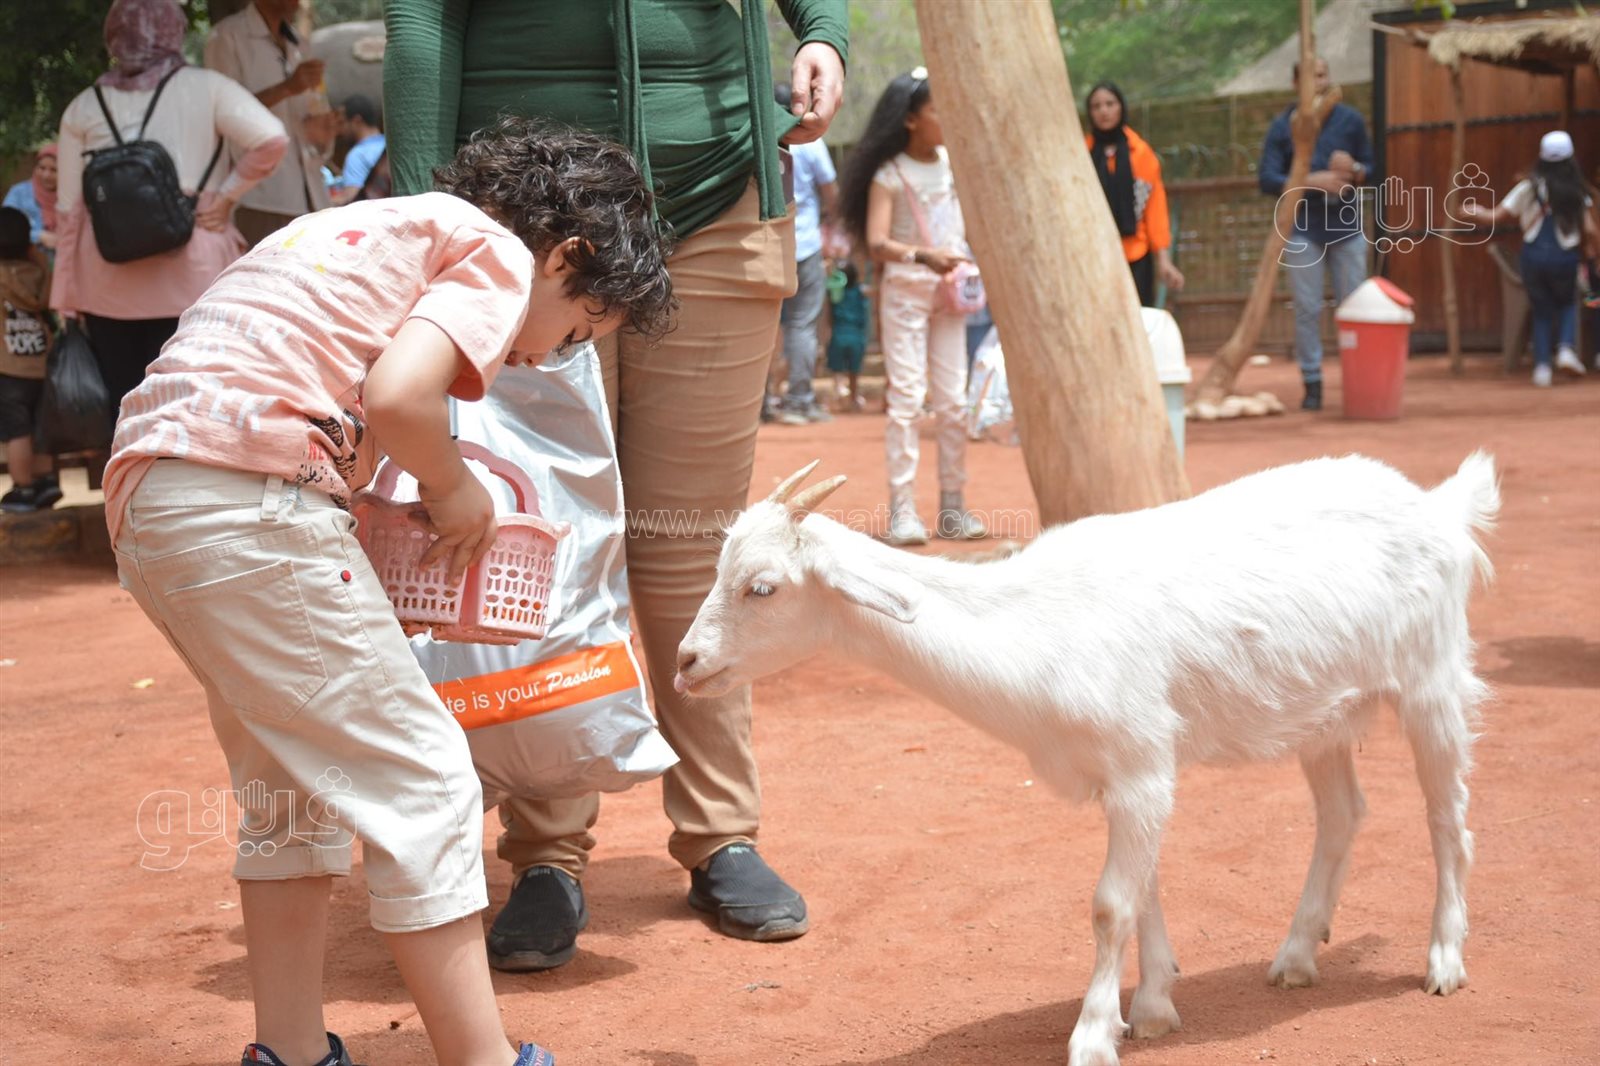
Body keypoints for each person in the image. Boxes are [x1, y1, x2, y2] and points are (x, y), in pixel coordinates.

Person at [105, 116, 672, 1066]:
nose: (545, 356)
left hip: (156, 498)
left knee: (292, 791)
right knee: (429, 782)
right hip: (252, 504)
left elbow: (313, 392)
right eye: (575, 329)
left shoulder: (357, 226)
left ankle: (288, 1050)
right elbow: (408, 399)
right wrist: (457, 490)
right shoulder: (490, 250)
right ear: (565, 255)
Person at [384, 0, 847, 971]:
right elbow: (423, 17)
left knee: (691, 545)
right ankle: (546, 856)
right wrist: (429, 208)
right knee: (534, 538)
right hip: (528, 233)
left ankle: (722, 833)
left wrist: (820, 32)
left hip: (715, 197)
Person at [50, 0, 288, 416]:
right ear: (174, 31)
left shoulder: (84, 105)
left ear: (114, 37)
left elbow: (70, 210)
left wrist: (65, 294)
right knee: (195, 403)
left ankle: (131, 479)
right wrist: (227, 194)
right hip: (192, 273)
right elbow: (271, 138)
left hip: (106, 283)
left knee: (127, 409)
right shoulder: (207, 87)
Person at [838, 67, 987, 547]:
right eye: (936, 110)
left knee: (952, 401)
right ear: (909, 120)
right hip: (906, 290)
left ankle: (953, 507)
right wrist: (924, 256)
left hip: (951, 293)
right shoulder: (891, 174)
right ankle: (902, 509)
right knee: (906, 398)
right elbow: (878, 242)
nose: (945, 118)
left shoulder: (952, 163)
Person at [1258, 56, 1375, 412]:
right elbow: (1267, 178)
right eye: (1309, 77)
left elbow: (1375, 167)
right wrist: (1310, 181)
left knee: (1354, 308)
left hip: (1347, 228)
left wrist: (1354, 169)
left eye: (1322, 75)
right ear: (1295, 84)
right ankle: (1312, 382)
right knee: (1307, 309)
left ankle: (1362, 382)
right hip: (1303, 229)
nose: (1317, 82)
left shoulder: (1350, 120)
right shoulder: (1284, 127)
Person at [1464, 131, 1596, 387]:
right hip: (1564, 258)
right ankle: (1567, 349)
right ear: (1571, 160)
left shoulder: (1528, 187)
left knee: (1541, 310)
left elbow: (1497, 215)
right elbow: (1590, 229)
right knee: (1568, 303)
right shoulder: (1577, 191)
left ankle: (1542, 368)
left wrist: (1474, 212)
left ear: (1542, 158)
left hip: (1533, 258)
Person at [206, 0, 335, 247]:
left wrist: (323, 130)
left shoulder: (299, 44)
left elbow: (306, 120)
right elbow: (223, 115)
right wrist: (286, 88)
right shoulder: (226, 37)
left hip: (311, 196)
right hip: (260, 198)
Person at [1084, 81, 1183, 308]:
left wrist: (1164, 260)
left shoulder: (1140, 153)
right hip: (1095, 255)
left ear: (1121, 107)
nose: (1104, 111)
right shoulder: (1082, 153)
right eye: (1096, 106)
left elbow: (1155, 210)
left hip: (1136, 254)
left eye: (1110, 104)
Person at [774, 82, 839, 426]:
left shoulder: (754, 141)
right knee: (802, 325)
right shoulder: (811, 144)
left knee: (765, 328)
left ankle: (761, 403)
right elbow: (831, 193)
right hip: (805, 246)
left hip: (766, 246)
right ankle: (799, 400)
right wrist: (831, 229)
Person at [0, 208, 59, 514]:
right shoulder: (38, 274)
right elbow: (52, 299)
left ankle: (23, 488)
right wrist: (35, 255)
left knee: (16, 431)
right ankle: (46, 481)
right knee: (40, 428)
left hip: (8, 368)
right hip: (42, 364)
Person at [825, 259, 869, 412]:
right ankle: (853, 399)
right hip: (856, 336)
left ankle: (839, 396)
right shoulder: (861, 291)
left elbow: (829, 317)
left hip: (838, 335)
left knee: (837, 371)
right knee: (854, 372)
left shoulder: (833, 293)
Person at [330, 94, 385, 206]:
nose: (339, 130)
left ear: (356, 121)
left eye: (342, 122)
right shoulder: (388, 145)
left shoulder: (357, 155)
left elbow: (353, 199)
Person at [2, 145, 58, 254]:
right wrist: (39, 236)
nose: (46, 175)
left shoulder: (72, 199)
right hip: (24, 262)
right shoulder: (19, 193)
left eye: (54, 170)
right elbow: (5, 229)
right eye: (41, 168)